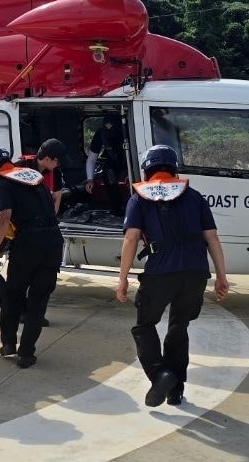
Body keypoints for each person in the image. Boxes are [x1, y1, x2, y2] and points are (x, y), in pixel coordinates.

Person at [115, 145, 229, 407]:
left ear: (147, 170)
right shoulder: (195, 196)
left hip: (160, 273)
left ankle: (160, 374)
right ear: (174, 168)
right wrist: (221, 276)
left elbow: (131, 238)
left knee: (144, 326)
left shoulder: (139, 198)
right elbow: (211, 237)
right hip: (196, 272)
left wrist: (122, 278)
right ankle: (176, 390)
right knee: (179, 327)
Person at [0, 145, 64, 368]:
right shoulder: (34, 175)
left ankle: (8, 343)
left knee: (14, 293)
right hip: (54, 242)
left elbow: (4, 215)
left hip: (28, 244)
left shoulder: (1, 182)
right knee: (38, 300)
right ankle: (26, 354)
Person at [86, 112, 127, 214]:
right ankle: (116, 208)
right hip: (114, 160)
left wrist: (131, 173)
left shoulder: (127, 133)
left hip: (130, 159)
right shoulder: (100, 135)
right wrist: (90, 179)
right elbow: (91, 159)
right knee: (108, 174)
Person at [18, 137, 72, 214]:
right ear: (47, 159)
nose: (58, 165)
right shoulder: (19, 168)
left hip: (44, 220)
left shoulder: (55, 172)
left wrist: (51, 220)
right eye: (58, 162)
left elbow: (57, 199)